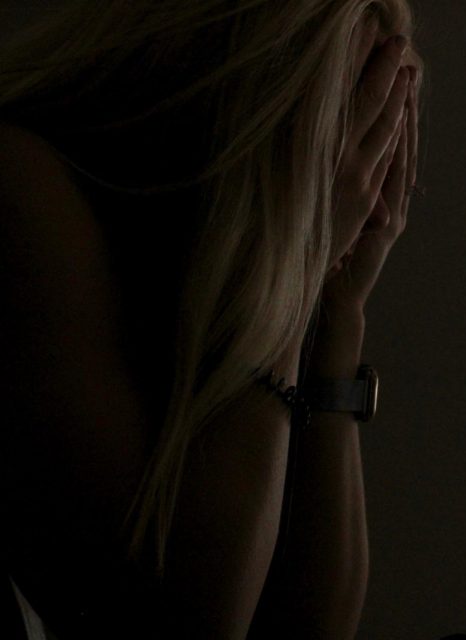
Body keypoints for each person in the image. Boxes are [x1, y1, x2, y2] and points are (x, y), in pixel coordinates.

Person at [0, 0, 422, 637]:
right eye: (354, 126)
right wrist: (288, 264)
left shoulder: (199, 267)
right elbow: (179, 625)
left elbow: (308, 630)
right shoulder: (22, 186)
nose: (362, 182)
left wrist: (338, 313)